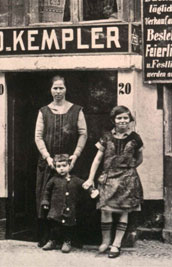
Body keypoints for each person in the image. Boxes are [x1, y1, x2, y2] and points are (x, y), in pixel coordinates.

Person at [83, 105, 144, 258]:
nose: (122, 121)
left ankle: (116, 244)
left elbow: (140, 159)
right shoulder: (106, 137)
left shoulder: (135, 138)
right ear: (113, 120)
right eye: (119, 118)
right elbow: (97, 159)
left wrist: (128, 170)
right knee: (105, 209)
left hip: (127, 180)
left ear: (130, 120)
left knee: (124, 211)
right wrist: (91, 178)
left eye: (125, 118)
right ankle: (106, 241)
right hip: (108, 178)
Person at [34, 75, 87, 247]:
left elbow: (83, 134)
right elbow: (38, 137)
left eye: (61, 88)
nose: (58, 91)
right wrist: (47, 157)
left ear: (66, 89)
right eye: (55, 88)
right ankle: (49, 238)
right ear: (50, 90)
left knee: (69, 200)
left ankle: (69, 239)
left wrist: (76, 155)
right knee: (48, 201)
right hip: (48, 164)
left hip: (70, 163)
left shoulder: (77, 110)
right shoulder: (43, 111)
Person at [40, 154, 85, 253]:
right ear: (55, 167)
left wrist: (91, 189)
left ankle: (67, 242)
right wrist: (45, 201)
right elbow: (47, 191)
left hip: (69, 209)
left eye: (64, 166)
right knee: (54, 226)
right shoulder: (53, 180)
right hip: (55, 209)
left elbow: (84, 185)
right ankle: (52, 241)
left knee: (68, 227)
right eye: (58, 166)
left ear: (69, 165)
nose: (61, 169)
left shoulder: (75, 180)